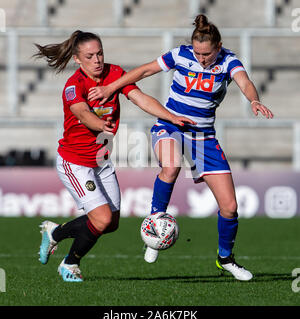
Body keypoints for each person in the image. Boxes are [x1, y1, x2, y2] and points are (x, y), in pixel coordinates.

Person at [87, 14, 274, 281]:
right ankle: (154, 226)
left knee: (230, 207)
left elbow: (244, 82)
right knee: (171, 165)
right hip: (171, 126)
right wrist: (111, 88)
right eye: (198, 52)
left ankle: (225, 259)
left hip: (204, 137)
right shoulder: (181, 55)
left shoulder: (229, 61)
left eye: (207, 54)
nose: (201, 58)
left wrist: (254, 100)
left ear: (218, 47)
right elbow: (143, 71)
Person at [34, 30, 194, 282]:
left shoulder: (115, 74)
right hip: (75, 162)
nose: (97, 60)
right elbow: (82, 113)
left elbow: (139, 98)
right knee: (101, 218)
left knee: (111, 223)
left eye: (100, 53)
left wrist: (170, 116)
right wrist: (100, 125)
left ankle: (55, 233)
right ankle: (69, 264)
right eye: (90, 56)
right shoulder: (73, 86)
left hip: (101, 160)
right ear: (78, 59)